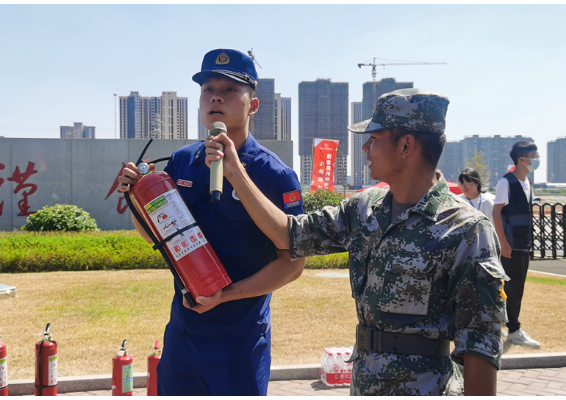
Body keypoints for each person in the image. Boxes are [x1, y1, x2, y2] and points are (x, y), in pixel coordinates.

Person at [203, 88, 508, 396]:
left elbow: (481, 344)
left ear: (406, 145)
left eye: (374, 138)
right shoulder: (364, 208)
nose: (365, 147)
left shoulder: (466, 229)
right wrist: (236, 173)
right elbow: (289, 234)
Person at [118, 49, 306, 396]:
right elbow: (156, 238)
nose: (215, 96)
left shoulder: (275, 175)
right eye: (207, 89)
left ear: (253, 105)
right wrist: (134, 199)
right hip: (183, 335)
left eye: (230, 89)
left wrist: (226, 296)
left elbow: (292, 264)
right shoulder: (181, 161)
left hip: (240, 337)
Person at [492, 141, 540, 348]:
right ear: (523, 159)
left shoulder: (527, 182)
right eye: (535, 156)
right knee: (511, 288)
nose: (537, 160)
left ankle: (508, 325)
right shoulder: (506, 182)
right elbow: (497, 212)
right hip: (511, 245)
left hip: (524, 244)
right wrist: (503, 242)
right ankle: (514, 329)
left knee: (517, 288)